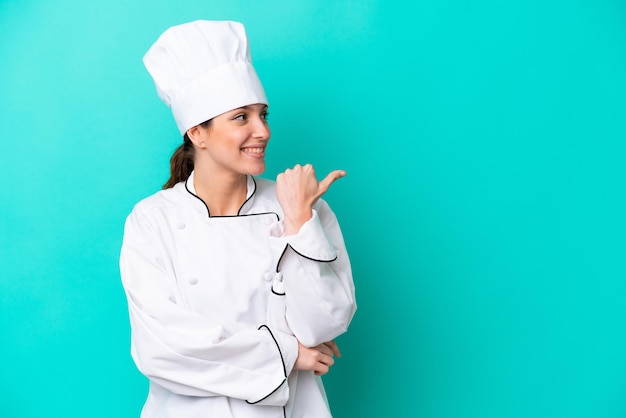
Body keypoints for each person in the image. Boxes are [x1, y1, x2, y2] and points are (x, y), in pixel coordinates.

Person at [119, 20, 356, 418]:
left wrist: (299, 221)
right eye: (241, 118)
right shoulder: (152, 221)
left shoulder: (298, 204)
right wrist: (288, 352)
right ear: (198, 132)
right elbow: (162, 347)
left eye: (263, 114)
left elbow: (326, 323)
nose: (262, 131)